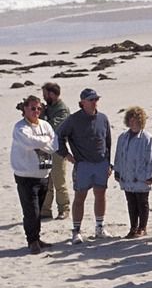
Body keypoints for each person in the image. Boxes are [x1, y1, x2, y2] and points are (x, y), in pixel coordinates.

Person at [54, 88, 113, 244]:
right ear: (82, 102)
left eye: (96, 99)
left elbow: (108, 142)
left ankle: (99, 227)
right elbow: (59, 136)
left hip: (101, 163)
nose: (94, 102)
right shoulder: (73, 119)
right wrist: (66, 155)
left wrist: (109, 163)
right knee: (80, 197)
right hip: (83, 165)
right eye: (91, 100)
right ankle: (76, 231)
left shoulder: (103, 118)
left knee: (100, 194)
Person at [11, 95, 56, 254]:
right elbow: (29, 142)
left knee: (39, 211)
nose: (36, 111)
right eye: (32, 108)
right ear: (24, 109)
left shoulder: (45, 125)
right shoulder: (20, 127)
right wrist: (44, 141)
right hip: (26, 176)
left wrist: (41, 141)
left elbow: (54, 144)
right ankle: (32, 241)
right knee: (31, 211)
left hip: (44, 173)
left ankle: (36, 238)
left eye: (38, 108)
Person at [113, 106, 152, 238]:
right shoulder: (123, 137)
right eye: (131, 120)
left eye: (136, 120)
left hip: (141, 177)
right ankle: (133, 227)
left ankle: (142, 227)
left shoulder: (146, 138)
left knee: (142, 202)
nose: (133, 122)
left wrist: (150, 175)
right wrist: (117, 171)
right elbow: (118, 156)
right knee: (131, 203)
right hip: (127, 176)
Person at [39, 82, 70, 220]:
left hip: (57, 150)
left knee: (59, 181)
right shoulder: (48, 108)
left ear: (52, 94)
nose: (44, 97)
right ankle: (45, 210)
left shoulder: (62, 110)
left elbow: (52, 128)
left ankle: (64, 209)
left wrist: (42, 114)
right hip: (44, 149)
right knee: (45, 180)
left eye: (45, 94)